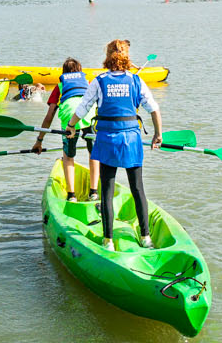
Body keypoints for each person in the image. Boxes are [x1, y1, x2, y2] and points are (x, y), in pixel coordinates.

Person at [68, 40, 163, 251]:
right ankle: (145, 237)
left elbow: (83, 107)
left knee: (107, 192)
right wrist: (158, 134)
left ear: (108, 56)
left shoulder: (99, 81)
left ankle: (108, 241)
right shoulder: (136, 80)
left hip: (108, 140)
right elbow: (154, 109)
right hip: (131, 140)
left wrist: (71, 126)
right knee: (137, 189)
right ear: (127, 57)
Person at [33, 58, 100, 202]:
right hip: (89, 116)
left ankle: (71, 195)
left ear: (64, 72)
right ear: (80, 71)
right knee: (94, 153)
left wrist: (39, 141)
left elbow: (49, 116)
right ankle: (94, 192)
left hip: (69, 119)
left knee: (68, 157)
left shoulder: (60, 86)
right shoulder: (88, 83)